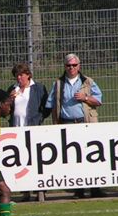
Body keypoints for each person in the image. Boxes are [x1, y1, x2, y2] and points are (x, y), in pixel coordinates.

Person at [45, 53, 104, 198]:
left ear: (79, 66)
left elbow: (98, 101)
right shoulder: (58, 83)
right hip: (68, 124)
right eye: (68, 65)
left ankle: (95, 189)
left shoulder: (88, 82)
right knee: (74, 158)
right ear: (64, 67)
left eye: (74, 65)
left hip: (85, 124)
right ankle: (79, 190)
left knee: (92, 156)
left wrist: (85, 98)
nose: (71, 68)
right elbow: (50, 104)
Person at [8, 62, 49, 202]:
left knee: (36, 161)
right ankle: (25, 191)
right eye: (17, 76)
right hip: (17, 130)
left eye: (21, 75)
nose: (19, 78)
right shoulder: (13, 89)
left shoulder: (38, 88)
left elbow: (46, 106)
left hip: (33, 129)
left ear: (28, 75)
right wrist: (9, 99)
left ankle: (40, 191)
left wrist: (39, 118)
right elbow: (6, 110)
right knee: (21, 161)